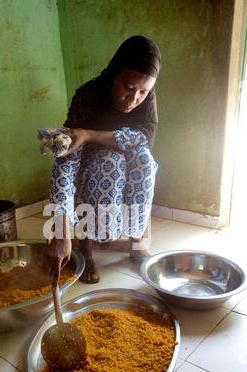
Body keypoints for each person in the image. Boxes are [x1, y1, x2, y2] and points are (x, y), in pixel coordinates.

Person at [46, 35, 161, 284]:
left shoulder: (145, 99)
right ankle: (85, 246)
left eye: (143, 91)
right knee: (110, 163)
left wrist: (90, 134)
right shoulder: (87, 97)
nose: (134, 99)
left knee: (144, 161)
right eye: (128, 87)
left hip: (126, 163)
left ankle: (136, 238)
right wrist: (62, 233)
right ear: (114, 74)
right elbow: (64, 165)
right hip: (93, 167)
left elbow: (144, 138)